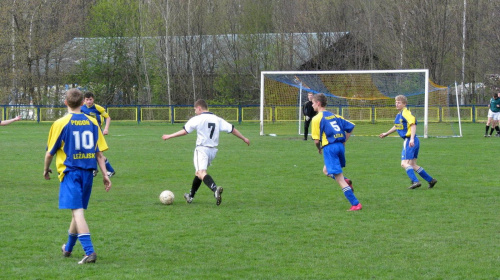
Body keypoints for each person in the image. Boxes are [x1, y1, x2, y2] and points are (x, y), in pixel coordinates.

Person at [43, 88, 111, 264]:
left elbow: (50, 153)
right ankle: (68, 248)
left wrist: (46, 169)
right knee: (76, 211)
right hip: (88, 173)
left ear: (65, 102)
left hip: (70, 173)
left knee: (78, 212)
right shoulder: (93, 122)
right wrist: (105, 175)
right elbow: (99, 154)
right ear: (83, 103)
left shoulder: (60, 123)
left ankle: (89, 252)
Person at [162, 99, 250, 206]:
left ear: (199, 108)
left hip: (202, 149)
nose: (195, 111)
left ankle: (215, 189)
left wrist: (169, 136)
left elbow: (185, 131)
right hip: (213, 151)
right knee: (198, 173)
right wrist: (243, 138)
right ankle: (191, 196)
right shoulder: (217, 119)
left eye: (195, 109)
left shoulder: (198, 119)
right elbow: (232, 129)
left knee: (201, 172)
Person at [311, 93, 362, 211]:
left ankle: (355, 204)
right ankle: (347, 181)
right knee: (326, 170)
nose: (312, 105)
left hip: (330, 147)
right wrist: (344, 141)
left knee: (339, 178)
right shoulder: (335, 115)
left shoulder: (317, 118)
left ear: (318, 103)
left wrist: (319, 148)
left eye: (313, 103)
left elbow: (316, 140)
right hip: (339, 146)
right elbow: (350, 126)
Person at [379, 95, 438, 190]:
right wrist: (387, 133)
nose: (396, 104)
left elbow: (413, 125)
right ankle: (431, 180)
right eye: (396, 102)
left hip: (410, 140)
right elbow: (397, 126)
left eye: (399, 102)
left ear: (404, 104)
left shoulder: (406, 113)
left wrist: (411, 139)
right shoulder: (400, 114)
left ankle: (415, 181)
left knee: (404, 163)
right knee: (412, 164)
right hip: (414, 140)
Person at [81, 92, 116, 177]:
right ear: (84, 100)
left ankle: (108, 170)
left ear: (93, 99)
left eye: (90, 99)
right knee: (90, 152)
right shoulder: (82, 108)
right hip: (87, 133)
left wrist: (106, 129)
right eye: (87, 99)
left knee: (97, 153)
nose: (89, 101)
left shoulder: (97, 108)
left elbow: (108, 117)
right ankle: (95, 169)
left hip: (97, 133)